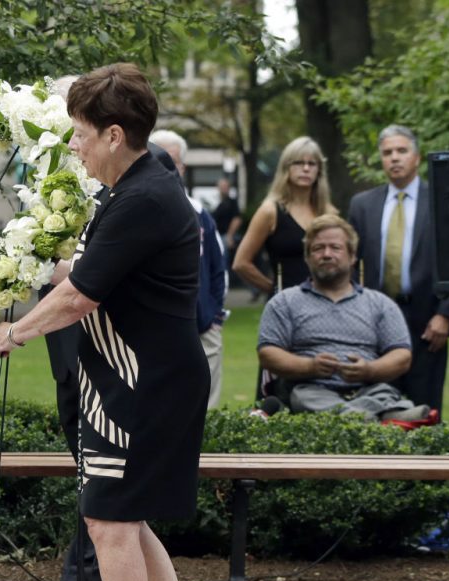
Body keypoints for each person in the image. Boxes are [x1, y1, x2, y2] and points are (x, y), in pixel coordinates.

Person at [0, 62, 206, 581]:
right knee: (122, 520)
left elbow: (80, 296)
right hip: (121, 379)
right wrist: (3, 265)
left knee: (109, 523)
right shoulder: (132, 185)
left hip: (145, 384)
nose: (72, 145)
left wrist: (17, 331)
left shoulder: (145, 197)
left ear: (115, 135)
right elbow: (86, 269)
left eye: (80, 133)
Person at [257, 214, 429, 420]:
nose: (326, 254)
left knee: (383, 393)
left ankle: (368, 414)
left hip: (369, 388)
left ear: (352, 255)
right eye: (318, 248)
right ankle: (384, 416)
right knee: (305, 397)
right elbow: (268, 352)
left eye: (335, 248)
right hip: (310, 389)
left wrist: (369, 370)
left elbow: (402, 355)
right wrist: (309, 366)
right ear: (307, 257)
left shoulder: (380, 304)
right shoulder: (284, 302)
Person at [348, 125, 449, 417]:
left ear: (417, 157)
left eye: (402, 151)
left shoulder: (441, 198)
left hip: (428, 320)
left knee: (426, 409)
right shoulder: (363, 205)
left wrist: (446, 313)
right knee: (378, 407)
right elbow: (350, 264)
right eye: (387, 153)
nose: (394, 158)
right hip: (376, 321)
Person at [149, 129, 226, 409]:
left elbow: (218, 267)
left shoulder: (200, 213)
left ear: (182, 167)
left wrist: (214, 314)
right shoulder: (138, 208)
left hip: (203, 324)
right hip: (157, 326)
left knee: (205, 404)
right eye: (158, 159)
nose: (167, 168)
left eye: (173, 161)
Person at [233, 136, 336, 296]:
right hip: (286, 308)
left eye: (312, 163)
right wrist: (273, 290)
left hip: (326, 303)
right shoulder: (270, 211)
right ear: (286, 168)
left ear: (319, 171)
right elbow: (241, 263)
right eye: (298, 163)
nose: (306, 168)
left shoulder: (329, 213)